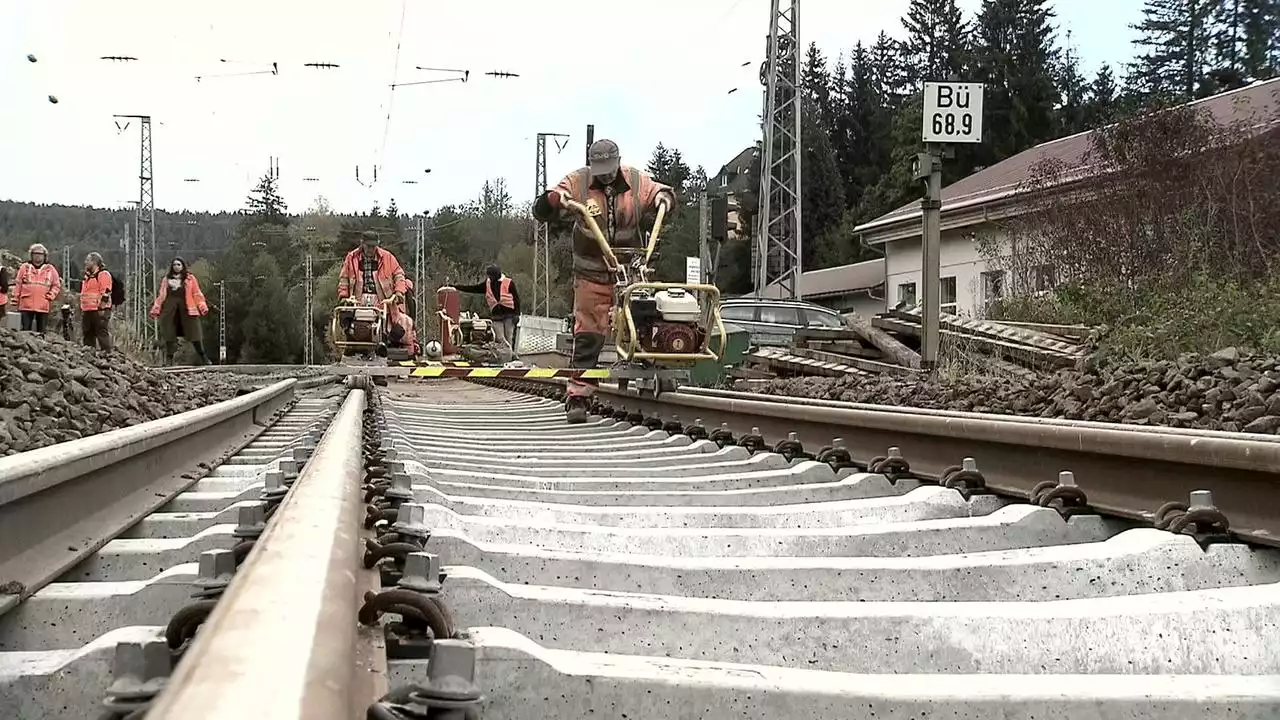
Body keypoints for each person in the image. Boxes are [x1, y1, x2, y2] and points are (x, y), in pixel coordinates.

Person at [532, 138, 675, 423]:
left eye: (610, 168)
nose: (606, 174)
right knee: (589, 330)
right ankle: (578, 396)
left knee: (646, 321)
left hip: (632, 269)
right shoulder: (578, 181)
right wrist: (554, 200)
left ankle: (653, 371)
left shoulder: (636, 179)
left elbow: (659, 192)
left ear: (618, 162)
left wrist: (664, 198)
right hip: (592, 270)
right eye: (600, 168)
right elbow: (545, 207)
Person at [453, 264, 521, 363]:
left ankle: (509, 358)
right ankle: (508, 356)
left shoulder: (509, 283)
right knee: (500, 338)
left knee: (509, 336)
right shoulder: (487, 284)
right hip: (496, 315)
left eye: (491, 276)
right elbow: (474, 288)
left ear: (496, 275)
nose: (489, 278)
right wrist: (457, 287)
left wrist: (517, 314)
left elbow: (516, 299)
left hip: (509, 314)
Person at [150, 257, 210, 365]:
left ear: (182, 266)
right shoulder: (166, 280)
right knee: (169, 333)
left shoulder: (190, 279)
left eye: (178, 264)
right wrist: (156, 308)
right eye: (174, 265)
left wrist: (202, 306)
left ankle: (203, 357)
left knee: (194, 333)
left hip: (187, 310)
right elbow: (162, 296)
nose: (176, 267)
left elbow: (196, 293)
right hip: (170, 310)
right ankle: (169, 359)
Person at [338, 230, 407, 303]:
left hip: (384, 301)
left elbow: (399, 275)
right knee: (343, 313)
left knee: (400, 314)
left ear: (377, 244)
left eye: (373, 246)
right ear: (362, 243)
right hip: (357, 301)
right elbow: (344, 279)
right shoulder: (351, 258)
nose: (370, 249)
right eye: (368, 246)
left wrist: (399, 292)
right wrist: (343, 296)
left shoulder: (387, 257)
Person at [14, 243, 62, 333]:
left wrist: (51, 295)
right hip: (25, 304)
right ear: (31, 255)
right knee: (25, 331)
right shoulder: (24, 267)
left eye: (40, 254)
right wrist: (15, 299)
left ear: (45, 256)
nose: (37, 256)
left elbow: (56, 285)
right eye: (35, 254)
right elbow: (18, 284)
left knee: (41, 332)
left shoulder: (50, 269)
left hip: (43, 305)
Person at [79, 252, 113, 351]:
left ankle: (107, 355)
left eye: (88, 260)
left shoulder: (103, 275)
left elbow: (106, 292)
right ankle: (89, 356)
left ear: (94, 262)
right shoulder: (87, 277)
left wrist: (101, 307)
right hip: (87, 310)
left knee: (101, 334)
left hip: (99, 310)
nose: (85, 262)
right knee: (88, 334)